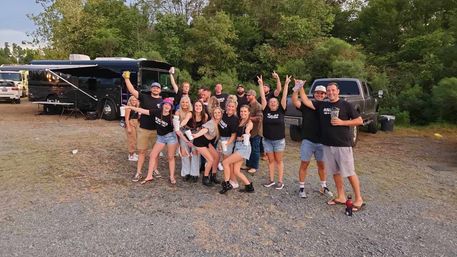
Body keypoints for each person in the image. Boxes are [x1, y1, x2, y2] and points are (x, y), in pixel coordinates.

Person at [297, 81, 365, 211]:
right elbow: (305, 101)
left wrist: (342, 122)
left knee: (350, 172)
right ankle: (341, 197)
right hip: (327, 145)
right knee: (335, 172)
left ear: (338, 91)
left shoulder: (345, 105)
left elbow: (359, 121)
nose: (331, 93)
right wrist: (300, 87)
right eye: (328, 91)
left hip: (342, 144)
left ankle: (359, 199)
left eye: (333, 90)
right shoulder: (323, 104)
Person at [291, 83, 334, 198]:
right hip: (308, 140)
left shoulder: (327, 106)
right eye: (317, 92)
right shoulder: (307, 104)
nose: (319, 95)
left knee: (322, 165)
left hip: (322, 141)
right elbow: (295, 101)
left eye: (322, 93)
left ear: (325, 95)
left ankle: (323, 186)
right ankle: (301, 188)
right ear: (314, 94)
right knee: (304, 163)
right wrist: (296, 88)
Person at [125, 98, 179, 185]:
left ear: (171, 107)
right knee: (152, 155)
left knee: (170, 157)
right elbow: (143, 111)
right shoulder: (157, 112)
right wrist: (131, 107)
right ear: (162, 105)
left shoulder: (172, 117)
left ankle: (172, 176)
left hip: (170, 138)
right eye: (165, 104)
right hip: (161, 138)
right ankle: (149, 175)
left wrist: (186, 141)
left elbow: (178, 130)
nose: (167, 106)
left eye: (169, 105)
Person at [123, 71, 162, 181]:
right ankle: (138, 172)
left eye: (157, 88)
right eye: (153, 87)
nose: (155, 89)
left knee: (155, 152)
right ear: (151, 89)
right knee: (142, 151)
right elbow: (132, 90)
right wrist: (127, 79)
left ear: (160, 90)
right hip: (143, 129)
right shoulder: (144, 97)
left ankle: (155, 169)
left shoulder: (163, 101)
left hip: (156, 131)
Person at [258, 74, 290, 190]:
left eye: (274, 102)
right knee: (271, 161)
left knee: (279, 161)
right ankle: (271, 180)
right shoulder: (265, 110)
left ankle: (280, 181)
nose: (272, 103)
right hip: (267, 140)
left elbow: (284, 95)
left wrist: (286, 84)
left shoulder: (282, 110)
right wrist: (261, 85)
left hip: (279, 141)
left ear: (277, 104)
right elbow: (262, 97)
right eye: (271, 102)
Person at [220, 105, 255, 194]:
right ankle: (249, 186)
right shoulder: (239, 121)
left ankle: (226, 184)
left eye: (245, 111)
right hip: (237, 146)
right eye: (241, 111)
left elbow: (248, 131)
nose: (243, 113)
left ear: (249, 112)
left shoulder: (249, 123)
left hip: (244, 147)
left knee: (225, 162)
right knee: (236, 170)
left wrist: (246, 135)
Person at [191, 106, 222, 187]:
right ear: (212, 114)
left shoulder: (220, 122)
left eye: (219, 112)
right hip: (200, 142)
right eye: (215, 113)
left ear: (221, 113)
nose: (217, 114)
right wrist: (196, 135)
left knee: (217, 157)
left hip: (207, 142)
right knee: (210, 160)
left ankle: (213, 176)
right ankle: (205, 178)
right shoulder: (211, 122)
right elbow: (205, 129)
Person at [257, 71, 282, 161]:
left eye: (266, 87)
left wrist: (277, 78)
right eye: (263, 87)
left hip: (273, 117)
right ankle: (264, 152)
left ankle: (267, 154)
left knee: (270, 135)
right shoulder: (260, 97)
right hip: (263, 117)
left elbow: (279, 90)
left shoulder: (272, 94)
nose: (264, 88)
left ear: (269, 88)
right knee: (263, 135)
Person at [174, 96, 199, 181]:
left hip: (193, 133)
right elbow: (177, 128)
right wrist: (178, 128)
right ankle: (186, 172)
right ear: (180, 103)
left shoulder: (191, 112)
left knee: (194, 152)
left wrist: (180, 125)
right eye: (183, 102)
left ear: (189, 103)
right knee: (184, 152)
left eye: (186, 102)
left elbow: (186, 120)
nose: (185, 104)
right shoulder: (177, 112)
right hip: (182, 133)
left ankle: (194, 173)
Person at [218, 99, 239, 187]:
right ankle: (228, 179)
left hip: (228, 140)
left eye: (232, 106)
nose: (230, 108)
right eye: (229, 106)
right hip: (221, 139)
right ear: (226, 106)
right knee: (224, 160)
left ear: (235, 108)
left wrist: (226, 144)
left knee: (228, 162)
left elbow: (234, 135)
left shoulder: (235, 119)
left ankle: (233, 181)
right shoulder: (223, 115)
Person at [244, 89, 263, 174]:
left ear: (253, 96)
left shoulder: (258, 106)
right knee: (248, 149)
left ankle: (254, 167)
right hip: (249, 132)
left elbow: (259, 118)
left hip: (256, 131)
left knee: (255, 150)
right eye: (247, 95)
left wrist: (248, 118)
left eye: (249, 95)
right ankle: (248, 164)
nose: (247, 97)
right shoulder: (249, 105)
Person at [124, 95, 140, 161]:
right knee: (131, 140)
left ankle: (133, 153)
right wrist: (128, 127)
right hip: (131, 124)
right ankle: (131, 156)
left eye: (135, 100)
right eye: (132, 100)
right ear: (130, 101)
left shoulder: (136, 108)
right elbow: (126, 119)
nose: (134, 101)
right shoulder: (128, 108)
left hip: (136, 124)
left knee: (135, 139)